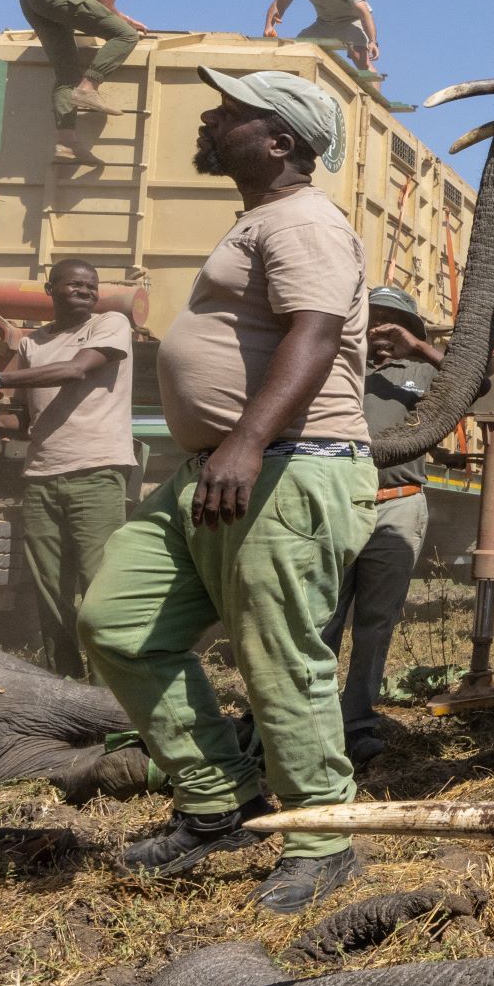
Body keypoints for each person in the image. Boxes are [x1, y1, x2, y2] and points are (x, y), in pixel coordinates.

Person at [78, 67, 376, 916]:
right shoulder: (259, 221)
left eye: (231, 113)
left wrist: (245, 442)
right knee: (119, 623)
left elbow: (313, 336)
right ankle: (219, 804)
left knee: (280, 661)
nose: (210, 119)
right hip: (219, 468)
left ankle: (324, 842)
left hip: (285, 463)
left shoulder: (305, 223)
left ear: (281, 141)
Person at [0, 257, 134, 680]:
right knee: (50, 590)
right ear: (50, 290)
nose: (85, 292)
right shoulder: (34, 344)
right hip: (42, 477)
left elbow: (74, 371)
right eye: (74, 285)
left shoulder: (109, 324)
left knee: (99, 589)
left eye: (91, 286)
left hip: (96, 473)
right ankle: (64, 681)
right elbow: (31, 415)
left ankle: (108, 691)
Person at [320, 287, 439, 759]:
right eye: (376, 319)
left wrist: (419, 348)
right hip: (337, 501)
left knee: (375, 621)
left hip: (399, 503)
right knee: (322, 618)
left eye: (397, 322)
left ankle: (358, 722)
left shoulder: (424, 371)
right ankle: (314, 719)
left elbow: (481, 384)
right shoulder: (337, 365)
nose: (384, 331)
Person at [19, 0, 164, 161]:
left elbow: (100, 6)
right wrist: (124, 21)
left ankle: (66, 144)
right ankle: (88, 89)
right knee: (126, 36)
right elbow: (104, 4)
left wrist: (122, 17)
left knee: (67, 75)